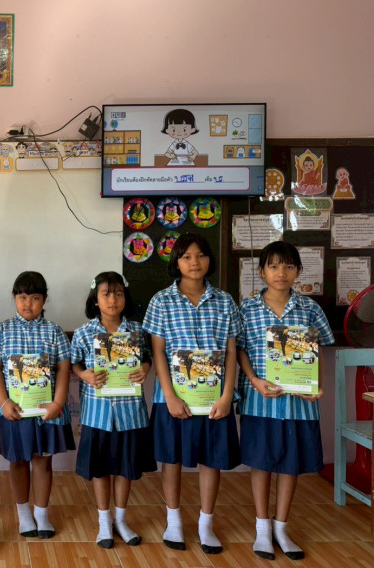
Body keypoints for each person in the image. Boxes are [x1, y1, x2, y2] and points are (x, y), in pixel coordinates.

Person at [142, 233, 241, 554]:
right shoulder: (161, 301)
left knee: (211, 461)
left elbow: (231, 353)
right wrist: (170, 396)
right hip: (173, 398)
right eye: (186, 256)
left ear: (210, 259)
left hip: (214, 399)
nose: (194, 262)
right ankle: (173, 522)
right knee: (171, 460)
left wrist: (227, 396)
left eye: (200, 255)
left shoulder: (225, 301)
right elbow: (157, 352)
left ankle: (205, 524)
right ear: (177, 262)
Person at [237, 242, 334, 560]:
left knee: (290, 465)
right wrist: (253, 379)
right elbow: (239, 350)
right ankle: (262, 530)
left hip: (298, 404)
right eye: (274, 266)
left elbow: (318, 351)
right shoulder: (247, 309)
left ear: (298, 271)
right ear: (262, 271)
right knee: (261, 463)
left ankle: (281, 527)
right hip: (259, 401)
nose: (281, 273)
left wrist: (317, 385)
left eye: (289, 266)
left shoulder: (309, 309)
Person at [71, 272, 156, 549]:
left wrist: (145, 369)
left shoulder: (137, 331)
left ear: (126, 298)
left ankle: (121, 519)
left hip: (130, 414)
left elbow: (147, 358)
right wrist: (84, 375)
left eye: (119, 294)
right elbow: (74, 364)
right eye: (106, 294)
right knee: (100, 469)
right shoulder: (84, 333)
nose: (113, 300)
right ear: (95, 300)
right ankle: (104, 522)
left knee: (125, 468)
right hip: (97, 414)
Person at [0, 271, 74, 540]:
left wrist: (58, 403)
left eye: (35, 298)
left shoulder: (54, 331)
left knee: (43, 462)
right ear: (15, 298)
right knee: (17, 461)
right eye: (22, 297)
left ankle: (42, 514)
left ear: (44, 299)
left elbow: (64, 368)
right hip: (14, 410)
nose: (28, 304)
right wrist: (3, 402)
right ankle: (24, 514)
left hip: (46, 411)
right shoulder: (2, 330)